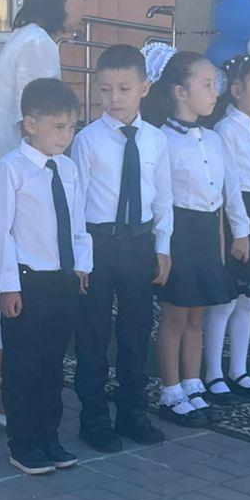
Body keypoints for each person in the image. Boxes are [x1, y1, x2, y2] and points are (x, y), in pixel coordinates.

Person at [0, 0, 88, 426]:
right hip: (13, 162)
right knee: (16, 270)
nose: (83, 7)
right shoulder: (39, 44)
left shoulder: (28, 36)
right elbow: (40, 116)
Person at [70, 43, 172, 454]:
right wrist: (80, 259)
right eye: (106, 89)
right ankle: (93, 418)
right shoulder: (87, 141)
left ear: (144, 88)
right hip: (98, 243)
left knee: (135, 331)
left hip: (138, 243)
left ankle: (133, 412)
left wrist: (163, 246)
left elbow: (163, 197)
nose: (114, 98)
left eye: (124, 88)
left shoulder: (156, 140)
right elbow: (76, 204)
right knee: (93, 334)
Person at [0, 78, 91, 476]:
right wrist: (8, 286)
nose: (66, 136)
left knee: (53, 365)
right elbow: (2, 231)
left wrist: (82, 265)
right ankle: (23, 442)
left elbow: (78, 223)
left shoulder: (67, 168)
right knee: (23, 366)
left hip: (61, 279)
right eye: (58, 127)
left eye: (71, 127)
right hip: (27, 282)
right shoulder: (12, 168)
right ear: (30, 124)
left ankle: (49, 436)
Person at [141, 49, 231, 425]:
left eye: (215, 84)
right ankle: (170, 390)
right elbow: (160, 198)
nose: (214, 92)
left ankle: (193, 383)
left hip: (207, 232)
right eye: (206, 84)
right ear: (180, 92)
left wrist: (224, 241)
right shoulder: (162, 140)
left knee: (198, 314)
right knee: (176, 315)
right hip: (179, 232)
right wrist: (162, 247)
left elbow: (220, 197)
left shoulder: (213, 138)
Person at [204, 56, 250, 403]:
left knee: (249, 300)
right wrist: (241, 231)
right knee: (226, 300)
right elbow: (230, 185)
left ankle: (238, 369)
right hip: (238, 216)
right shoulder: (226, 130)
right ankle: (213, 372)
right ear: (235, 90)